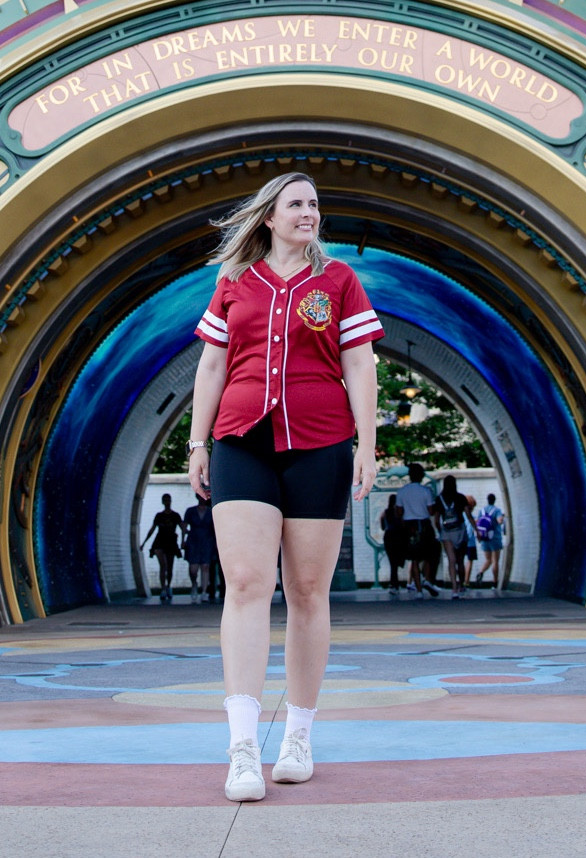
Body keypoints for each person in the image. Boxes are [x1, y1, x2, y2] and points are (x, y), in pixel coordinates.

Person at [187, 172, 382, 803]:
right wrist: (196, 443)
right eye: (296, 204)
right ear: (269, 217)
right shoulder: (235, 283)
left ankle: (297, 737)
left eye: (315, 204)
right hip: (241, 438)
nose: (309, 212)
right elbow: (212, 363)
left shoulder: (339, 282)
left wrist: (368, 444)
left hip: (321, 442)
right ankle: (243, 747)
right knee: (245, 583)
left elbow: (359, 363)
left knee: (306, 589)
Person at [395, 463, 438, 596]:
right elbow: (431, 511)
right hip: (424, 524)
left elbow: (399, 511)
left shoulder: (402, 492)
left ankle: (418, 589)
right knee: (429, 554)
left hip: (409, 526)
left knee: (413, 558)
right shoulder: (426, 491)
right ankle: (427, 579)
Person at [430, 475, 476, 597]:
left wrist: (441, 532)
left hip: (447, 532)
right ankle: (461, 585)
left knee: (451, 561)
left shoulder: (439, 499)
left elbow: (436, 519)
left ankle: (454, 588)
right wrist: (477, 530)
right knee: (460, 561)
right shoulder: (460, 497)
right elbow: (468, 515)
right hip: (460, 530)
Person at [142, 493, 184, 602]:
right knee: (163, 565)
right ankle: (163, 588)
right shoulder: (159, 516)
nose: (167, 502)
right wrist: (144, 542)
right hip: (160, 542)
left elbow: (182, 527)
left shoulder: (175, 515)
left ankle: (168, 585)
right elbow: (152, 529)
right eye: (165, 500)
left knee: (169, 566)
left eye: (168, 500)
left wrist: (183, 540)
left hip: (170, 542)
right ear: (163, 502)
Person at [182, 495, 219, 601]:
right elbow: (185, 525)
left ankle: (204, 591)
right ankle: (194, 584)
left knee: (205, 566)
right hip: (193, 541)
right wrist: (183, 540)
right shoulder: (190, 511)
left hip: (207, 541)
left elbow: (215, 528)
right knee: (193, 568)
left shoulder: (211, 512)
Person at [473, 492, 507, 591]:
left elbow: (477, 522)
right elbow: (500, 521)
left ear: (487, 500)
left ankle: (480, 572)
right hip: (495, 539)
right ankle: (494, 583)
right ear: (494, 500)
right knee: (495, 561)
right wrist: (502, 517)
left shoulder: (482, 510)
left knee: (488, 560)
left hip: (484, 539)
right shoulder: (497, 510)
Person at [379, 493, 409, 593]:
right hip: (398, 537)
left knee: (392, 562)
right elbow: (403, 524)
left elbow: (382, 525)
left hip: (388, 537)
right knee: (396, 561)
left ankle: (394, 583)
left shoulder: (386, 512)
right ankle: (395, 583)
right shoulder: (399, 512)